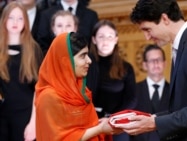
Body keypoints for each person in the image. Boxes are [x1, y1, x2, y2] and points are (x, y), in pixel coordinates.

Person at [114, 0, 187, 140]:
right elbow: (183, 106)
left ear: (164, 19)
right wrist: (152, 118)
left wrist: (155, 123)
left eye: (147, 29)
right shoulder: (184, 45)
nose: (147, 37)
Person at [35, 32, 119, 141]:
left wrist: (101, 124)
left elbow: (86, 127)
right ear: (66, 61)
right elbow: (59, 138)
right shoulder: (48, 97)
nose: (89, 61)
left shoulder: (81, 91)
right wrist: (100, 129)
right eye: (83, 56)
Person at [86, 20, 137, 141]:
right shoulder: (84, 65)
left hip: (116, 126)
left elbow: (131, 100)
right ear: (94, 39)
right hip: (88, 125)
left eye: (110, 36)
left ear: (116, 39)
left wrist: (112, 119)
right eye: (101, 36)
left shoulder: (126, 68)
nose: (105, 41)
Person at [0, 1, 43, 141]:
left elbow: (40, 89)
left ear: (25, 22)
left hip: (26, 115)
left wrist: (34, 123)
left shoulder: (33, 49)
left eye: (20, 18)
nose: (15, 22)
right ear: (4, 20)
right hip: (2, 115)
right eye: (11, 17)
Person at [130, 44, 170, 141]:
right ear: (145, 65)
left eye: (159, 59)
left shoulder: (174, 91)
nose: (156, 63)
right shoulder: (133, 90)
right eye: (152, 60)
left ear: (165, 63)